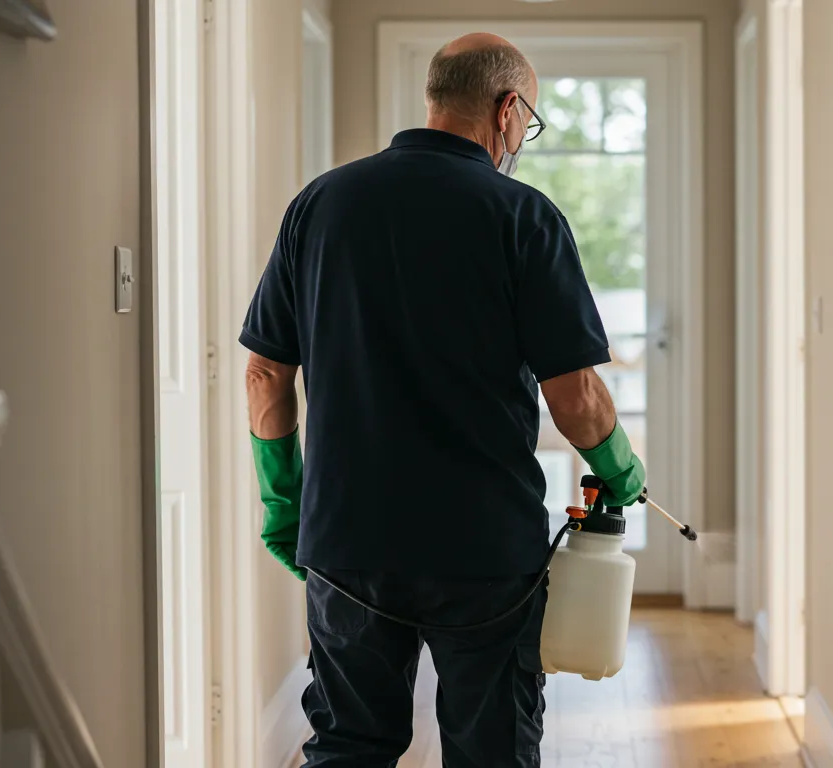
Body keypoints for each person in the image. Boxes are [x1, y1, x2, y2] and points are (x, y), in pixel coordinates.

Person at [239, 32, 646, 767]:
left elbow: (265, 373)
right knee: (492, 748)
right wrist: (620, 468)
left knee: (349, 744)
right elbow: (577, 395)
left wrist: (283, 499)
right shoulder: (524, 216)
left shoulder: (321, 205)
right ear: (507, 108)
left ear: (435, 98)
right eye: (529, 121)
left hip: (347, 541)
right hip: (483, 550)